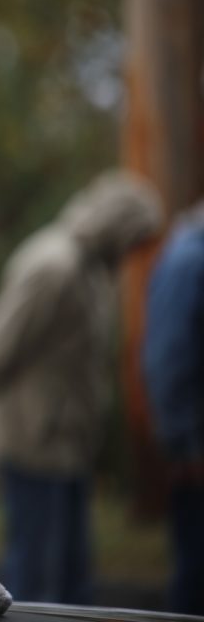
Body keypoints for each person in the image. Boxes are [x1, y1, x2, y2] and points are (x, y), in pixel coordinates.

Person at [0, 170, 162, 604]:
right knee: (35, 576)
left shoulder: (92, 268)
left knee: (72, 575)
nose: (134, 252)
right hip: (33, 442)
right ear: (118, 227)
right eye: (135, 239)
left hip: (68, 446)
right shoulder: (54, 265)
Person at [142, 199, 204, 615]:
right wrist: (184, 443)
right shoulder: (189, 263)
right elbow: (167, 361)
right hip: (196, 447)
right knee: (197, 571)